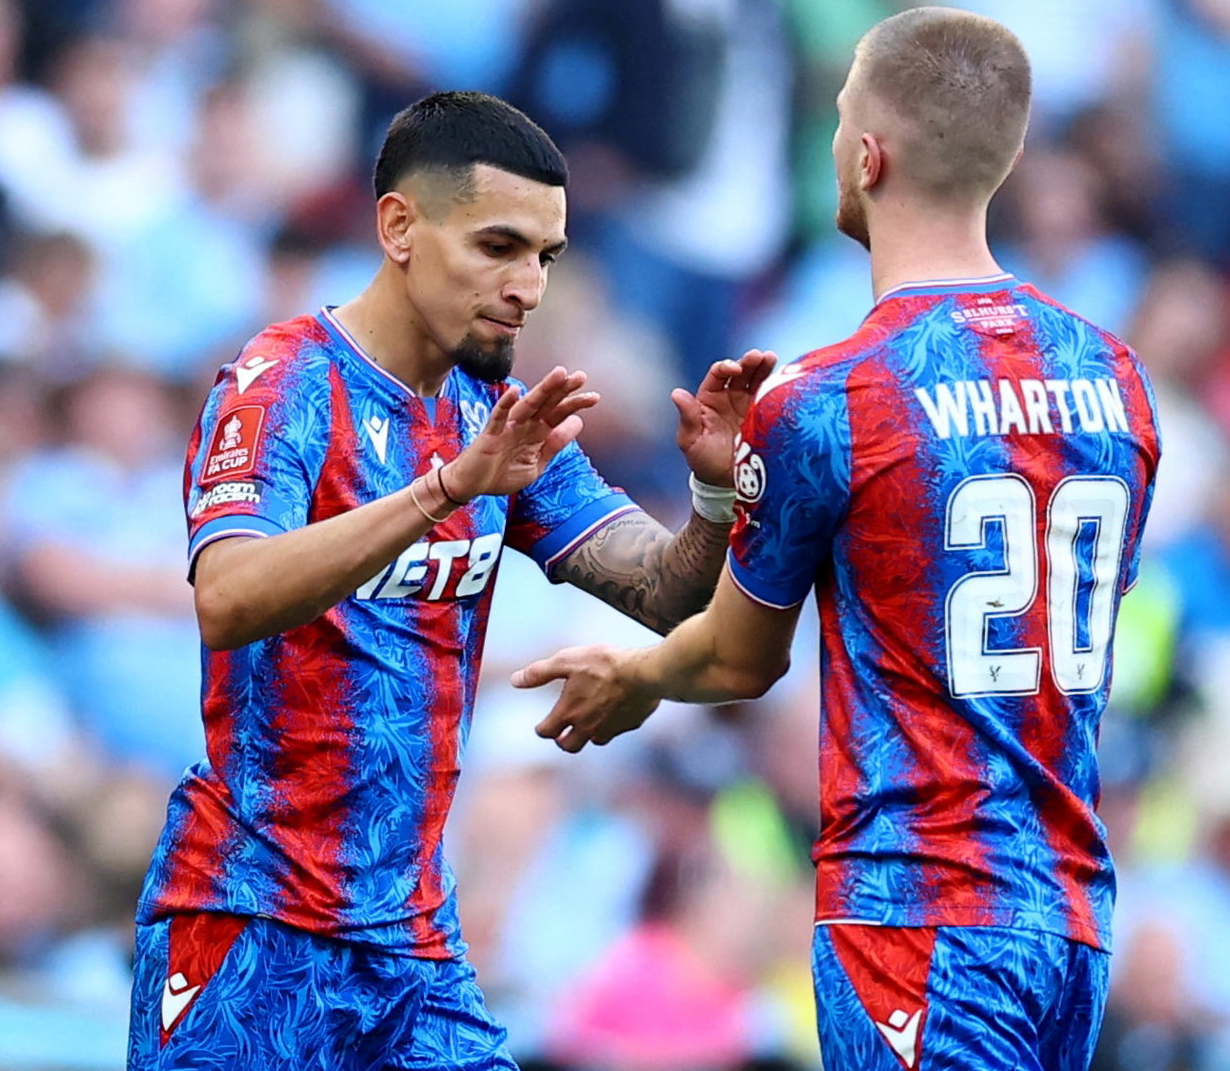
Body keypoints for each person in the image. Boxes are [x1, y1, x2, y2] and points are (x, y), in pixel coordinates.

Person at [515, 9, 1161, 1071]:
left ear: (868, 156)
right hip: (1070, 917)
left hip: (916, 912)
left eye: (834, 122)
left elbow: (736, 656)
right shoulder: (1115, 380)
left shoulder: (830, 398)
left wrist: (637, 676)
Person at [127, 91, 774, 1070]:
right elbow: (228, 595)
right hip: (248, 926)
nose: (527, 286)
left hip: (411, 946)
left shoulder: (499, 413)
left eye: (545, 257)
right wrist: (445, 489)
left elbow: (662, 589)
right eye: (499, 246)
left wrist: (717, 496)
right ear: (399, 228)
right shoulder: (285, 382)